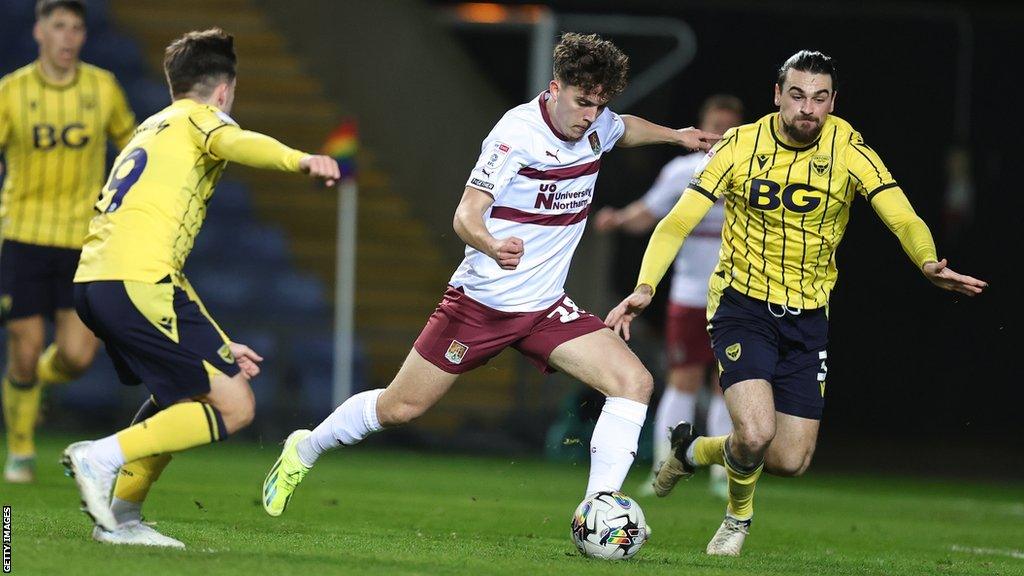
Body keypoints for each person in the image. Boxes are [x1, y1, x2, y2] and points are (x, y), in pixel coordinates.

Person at [260, 32, 719, 518]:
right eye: (582, 102)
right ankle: (304, 449)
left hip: (545, 307)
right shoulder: (515, 134)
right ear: (554, 87)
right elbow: (465, 213)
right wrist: (491, 243)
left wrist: (677, 136)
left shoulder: (596, 124)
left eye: (599, 105)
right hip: (481, 305)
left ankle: (597, 510)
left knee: (634, 383)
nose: (590, 115)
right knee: (400, 408)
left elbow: (622, 127)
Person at [605, 50, 987, 556]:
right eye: (798, 95)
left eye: (820, 97)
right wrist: (645, 286)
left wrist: (926, 261)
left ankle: (692, 450)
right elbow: (676, 220)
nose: (809, 108)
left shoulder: (848, 147)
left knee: (789, 458)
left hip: (808, 315)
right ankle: (736, 521)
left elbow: (900, 213)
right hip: (742, 304)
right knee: (757, 430)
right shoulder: (741, 146)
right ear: (778, 96)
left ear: (833, 101)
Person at [61, 28, 339, 548]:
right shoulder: (201, 120)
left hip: (102, 280)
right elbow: (236, 140)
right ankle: (98, 457)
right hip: (138, 281)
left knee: (184, 392)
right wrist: (300, 159)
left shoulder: (151, 127)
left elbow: (162, 258)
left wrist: (215, 341)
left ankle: (121, 519)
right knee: (237, 406)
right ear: (224, 91)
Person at [0, 0, 136, 483]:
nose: (68, 37)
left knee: (77, 356)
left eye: (76, 28)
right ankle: (19, 450)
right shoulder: (12, 91)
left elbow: (133, 146)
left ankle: (35, 386)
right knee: (25, 344)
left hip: (84, 239)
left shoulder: (102, 88)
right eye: (59, 26)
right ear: (40, 32)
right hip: (23, 235)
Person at [594, 94, 744, 499]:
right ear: (703, 127)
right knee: (683, 380)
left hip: (737, 296)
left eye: (729, 127)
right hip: (690, 295)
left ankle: (722, 472)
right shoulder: (683, 172)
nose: (720, 135)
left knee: (727, 384)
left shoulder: (750, 173)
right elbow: (649, 213)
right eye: (715, 126)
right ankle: (664, 464)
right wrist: (619, 218)